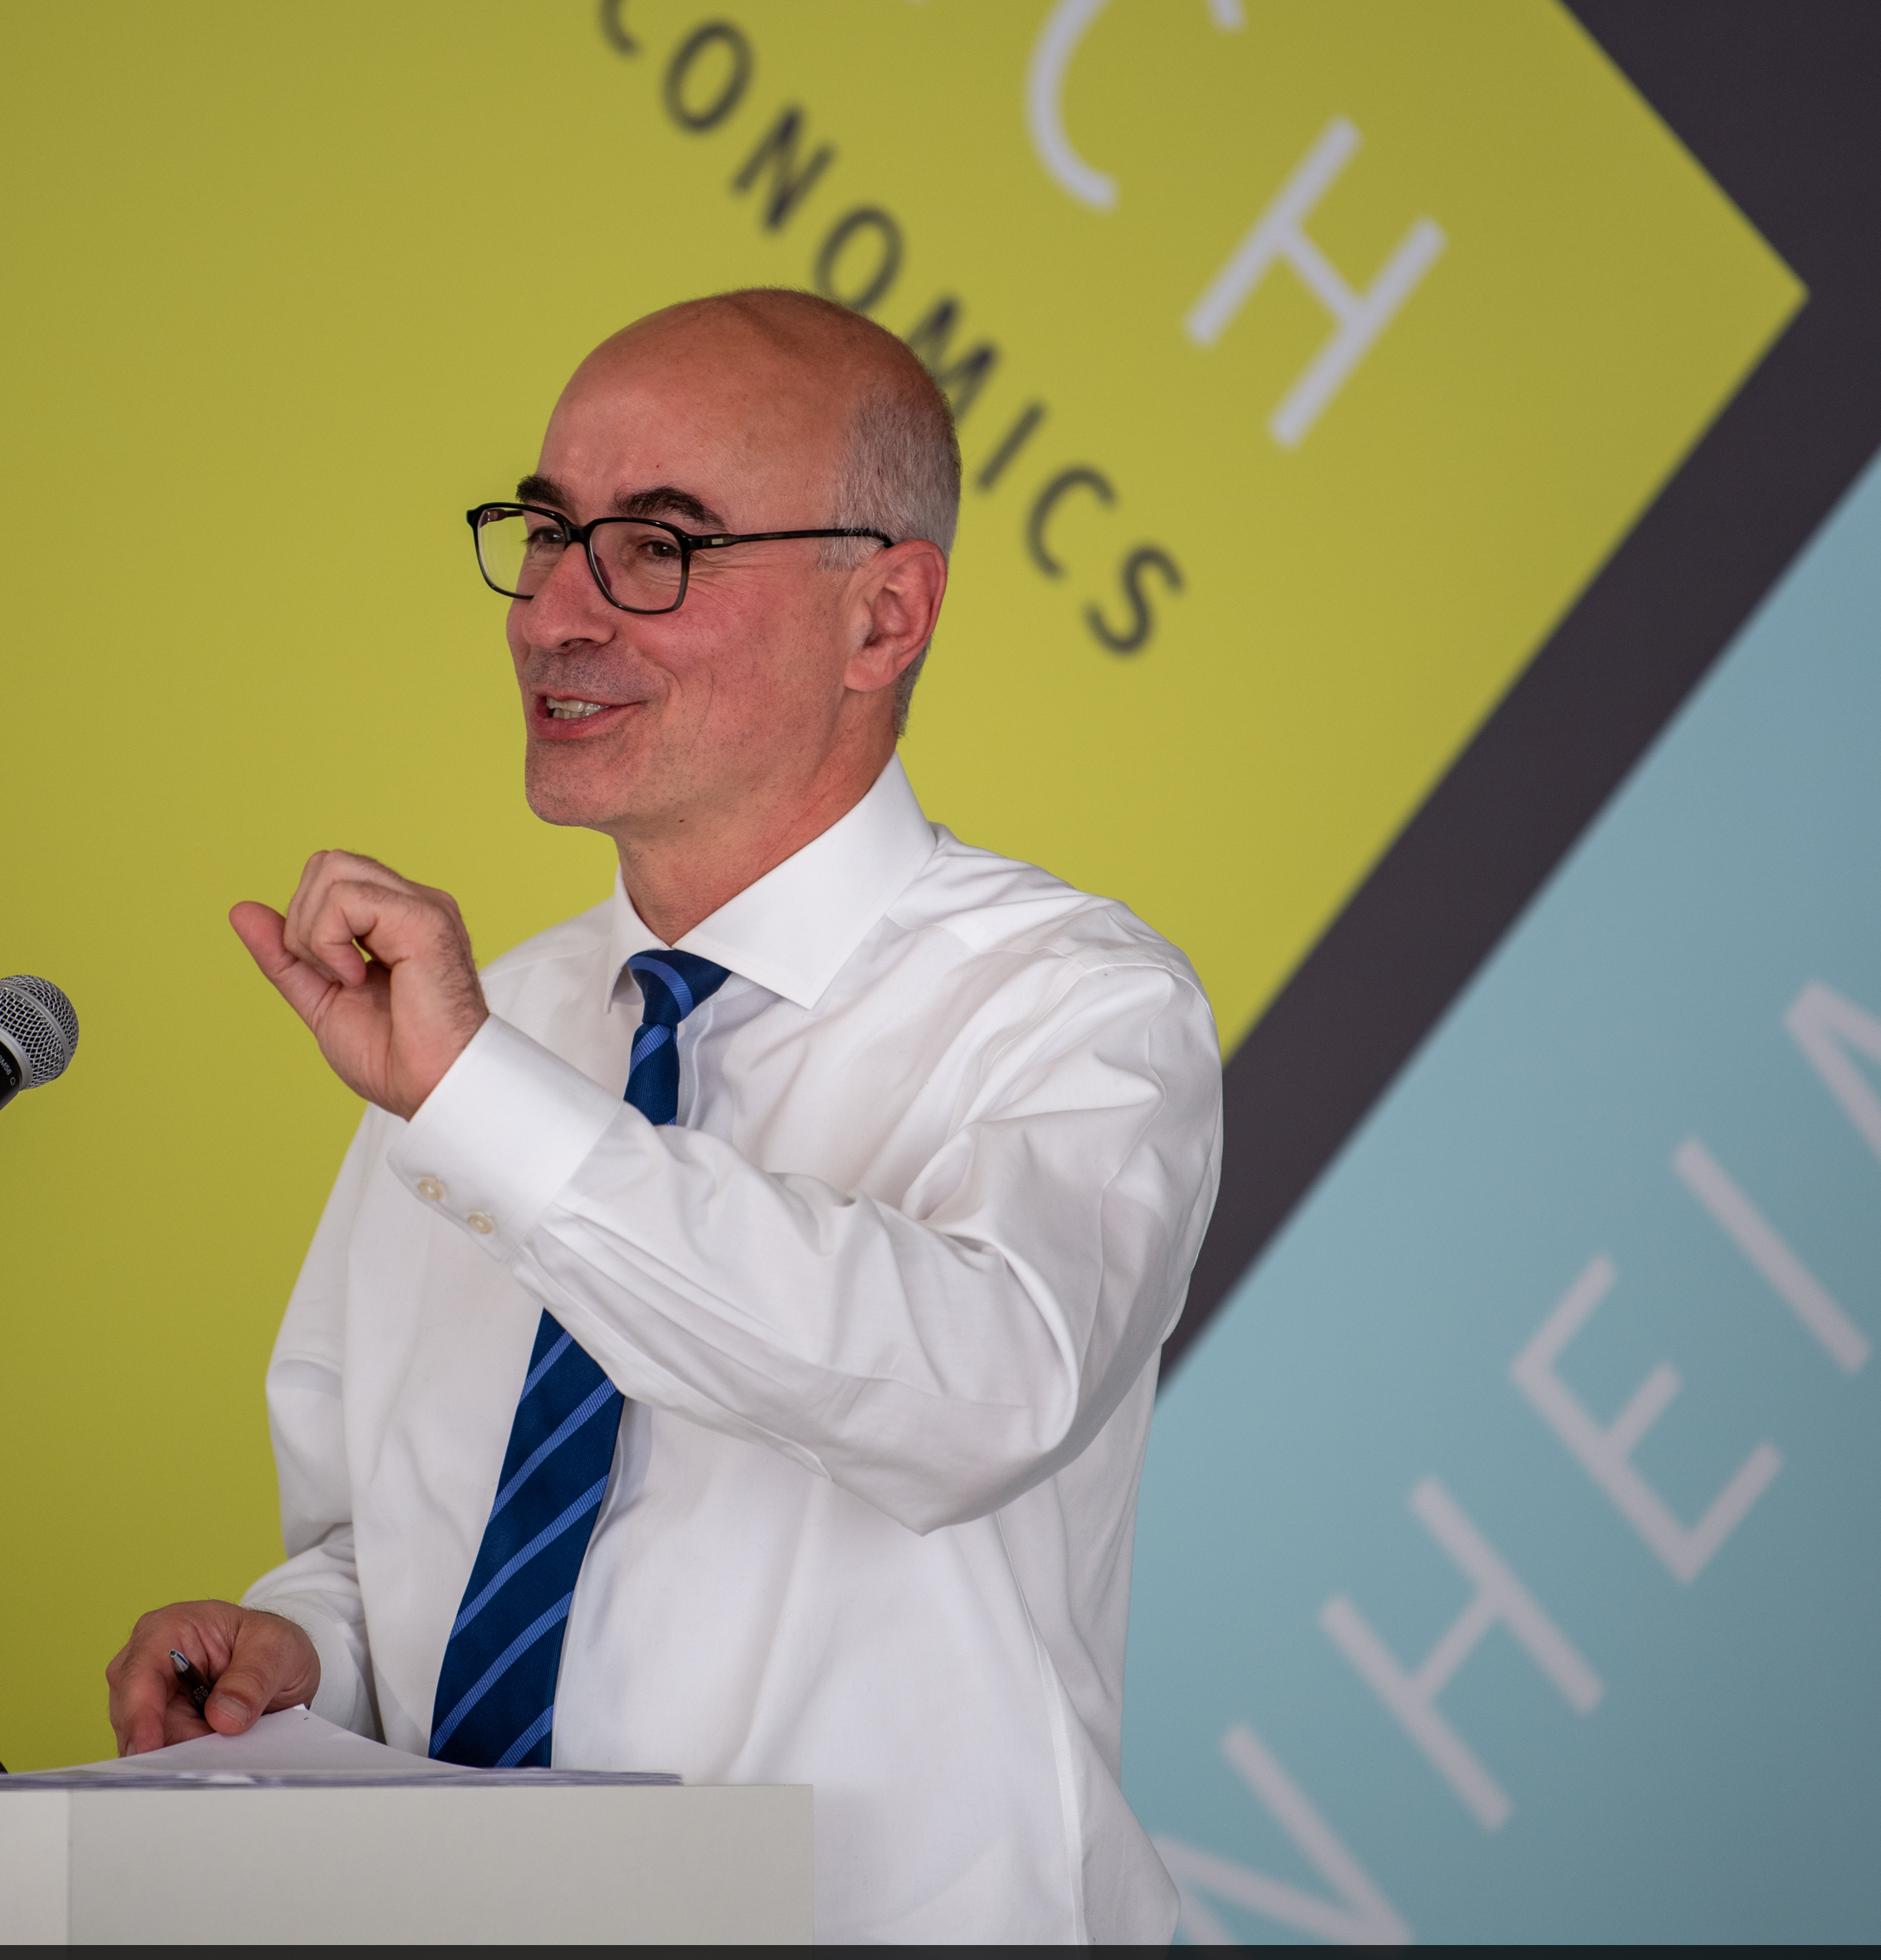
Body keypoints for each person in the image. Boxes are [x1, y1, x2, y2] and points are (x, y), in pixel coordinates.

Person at [105, 288, 1221, 1943]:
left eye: (657, 546)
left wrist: (488, 1107)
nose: (554, 611)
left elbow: (982, 1389)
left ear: (883, 615)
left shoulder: (1074, 1005)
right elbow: (386, 1534)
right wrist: (302, 1653)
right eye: (547, 532)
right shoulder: (487, 1033)